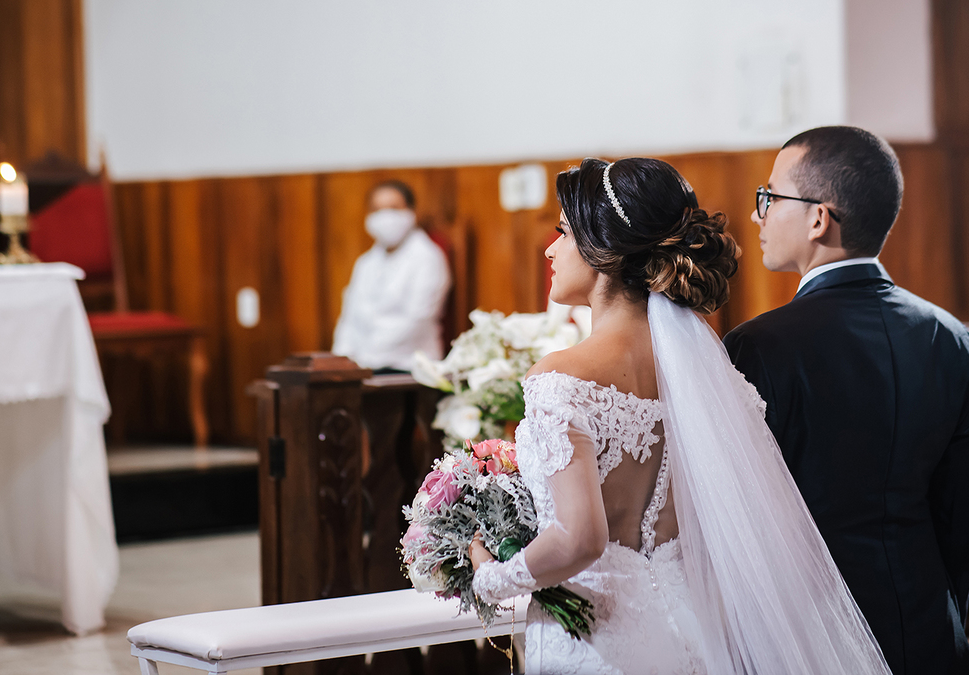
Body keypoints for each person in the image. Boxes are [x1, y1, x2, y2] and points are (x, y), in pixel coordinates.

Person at [469, 157, 891, 674]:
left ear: (604, 249)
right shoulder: (707, 378)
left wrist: (491, 576)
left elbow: (581, 540)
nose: (550, 249)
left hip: (597, 645)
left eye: (563, 232)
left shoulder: (562, 377)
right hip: (692, 634)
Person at [723, 126, 969, 675]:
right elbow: (958, 517)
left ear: (819, 218)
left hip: (813, 634)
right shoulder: (949, 336)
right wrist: (945, 623)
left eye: (769, 197)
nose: (757, 214)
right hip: (929, 628)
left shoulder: (760, 347)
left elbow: (744, 525)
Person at [332, 180, 450, 372]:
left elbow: (418, 319)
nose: (385, 216)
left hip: (407, 365)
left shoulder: (428, 257)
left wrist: (367, 356)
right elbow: (348, 318)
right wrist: (340, 361)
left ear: (411, 212)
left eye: (394, 208)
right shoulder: (366, 262)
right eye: (377, 209)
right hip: (362, 365)